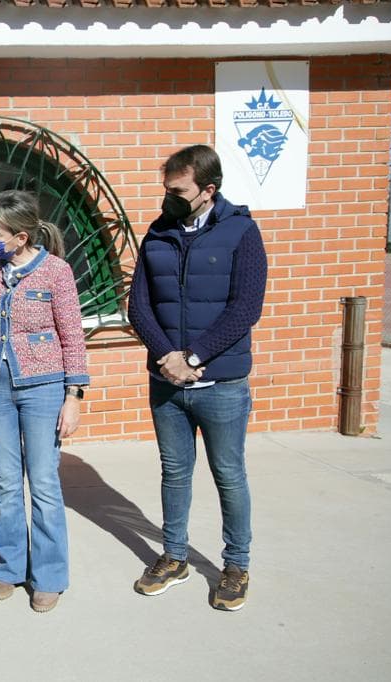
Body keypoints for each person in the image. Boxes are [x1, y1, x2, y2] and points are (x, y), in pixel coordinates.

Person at [128, 144, 267, 612]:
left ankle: (236, 565)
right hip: (166, 382)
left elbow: (245, 307)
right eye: (166, 188)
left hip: (221, 383)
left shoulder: (241, 232)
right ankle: (175, 557)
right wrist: (168, 357)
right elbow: (138, 306)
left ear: (208, 190)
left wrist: (194, 356)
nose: (168, 197)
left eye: (178, 190)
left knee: (228, 474)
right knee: (174, 472)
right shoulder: (158, 232)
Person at [0, 190, 90, 613]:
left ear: (21, 237)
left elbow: (73, 336)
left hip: (44, 388)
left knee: (43, 482)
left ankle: (49, 575)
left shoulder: (56, 272)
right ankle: (10, 567)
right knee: (8, 482)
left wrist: (74, 396)